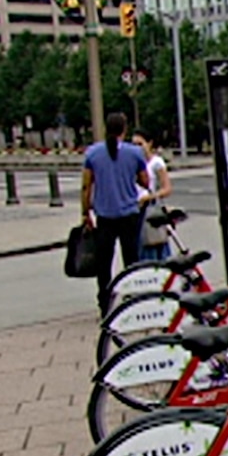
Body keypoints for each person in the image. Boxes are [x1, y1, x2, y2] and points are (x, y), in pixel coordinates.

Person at [81, 112, 150, 314]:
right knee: (131, 259)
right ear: (124, 129)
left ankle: (105, 303)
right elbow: (144, 181)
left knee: (104, 262)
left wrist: (85, 213)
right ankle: (134, 299)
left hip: (104, 215)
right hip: (129, 213)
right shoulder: (134, 153)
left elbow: (86, 186)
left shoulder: (92, 154)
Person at [133, 130, 173, 261]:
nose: (137, 148)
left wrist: (149, 197)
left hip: (151, 209)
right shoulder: (132, 162)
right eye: (134, 144)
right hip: (135, 210)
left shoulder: (156, 163)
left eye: (140, 144)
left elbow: (166, 188)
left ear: (149, 143)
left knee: (155, 243)